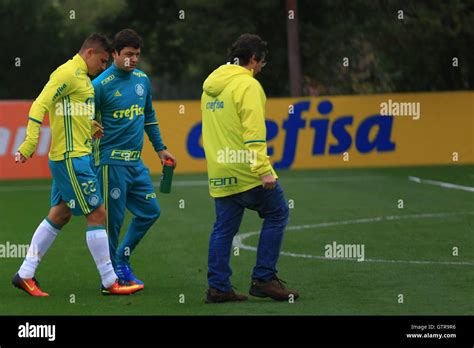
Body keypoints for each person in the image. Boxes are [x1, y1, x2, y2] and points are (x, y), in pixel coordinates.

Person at [12, 33, 143, 296]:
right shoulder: (67, 73)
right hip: (71, 158)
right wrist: (29, 144)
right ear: (90, 53)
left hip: (74, 157)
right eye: (103, 60)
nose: (104, 67)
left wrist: (90, 125)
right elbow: (40, 105)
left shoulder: (82, 78)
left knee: (60, 214)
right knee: (98, 214)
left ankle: (25, 274)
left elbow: (68, 109)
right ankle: (109, 280)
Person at [201, 33, 299, 303]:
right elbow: (254, 132)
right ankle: (264, 279)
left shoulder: (211, 87)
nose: (261, 68)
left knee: (223, 229)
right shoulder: (248, 86)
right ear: (253, 59)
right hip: (246, 171)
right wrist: (263, 168)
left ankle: (218, 287)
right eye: (262, 63)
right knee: (278, 212)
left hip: (220, 170)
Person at [92, 29, 176, 286]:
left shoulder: (142, 80)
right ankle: (110, 277)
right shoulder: (99, 86)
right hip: (110, 163)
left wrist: (160, 148)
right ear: (115, 54)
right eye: (128, 54)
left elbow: (148, 117)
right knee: (113, 223)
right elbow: (84, 123)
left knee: (150, 212)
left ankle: (121, 259)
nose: (134, 59)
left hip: (135, 163)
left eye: (137, 54)